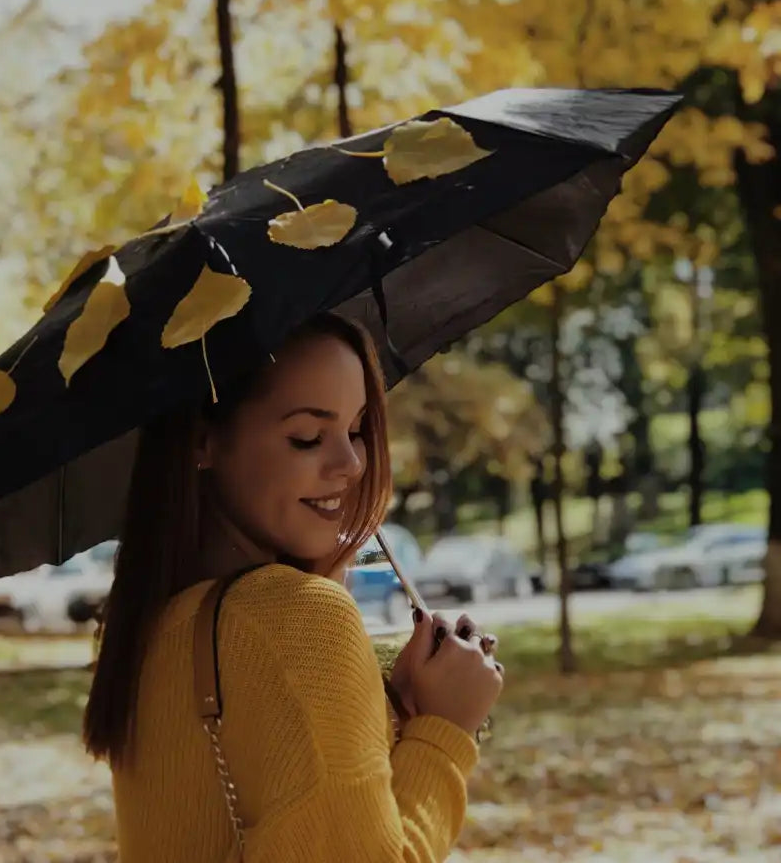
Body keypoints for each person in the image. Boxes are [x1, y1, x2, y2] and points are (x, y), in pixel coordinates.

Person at [84, 313, 504, 862]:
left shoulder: (140, 626)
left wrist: (398, 708)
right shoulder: (296, 618)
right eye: (307, 438)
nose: (352, 463)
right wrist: (445, 731)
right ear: (203, 439)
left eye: (355, 430)